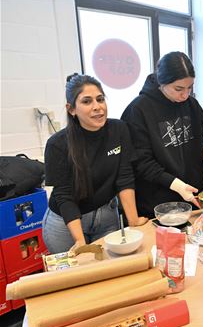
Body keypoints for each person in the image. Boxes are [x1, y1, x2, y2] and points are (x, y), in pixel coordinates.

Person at [121, 51, 203, 218]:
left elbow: (196, 149)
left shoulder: (192, 106)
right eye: (178, 89)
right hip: (156, 205)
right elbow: (142, 163)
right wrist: (177, 186)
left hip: (191, 199)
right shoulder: (138, 110)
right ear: (162, 82)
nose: (185, 94)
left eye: (190, 87)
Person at [43, 74, 148, 254]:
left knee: (110, 270)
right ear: (71, 109)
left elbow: (124, 177)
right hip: (66, 224)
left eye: (100, 99)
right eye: (87, 101)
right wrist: (80, 241)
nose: (97, 107)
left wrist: (133, 220)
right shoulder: (57, 144)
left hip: (107, 217)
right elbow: (63, 196)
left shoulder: (119, 129)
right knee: (76, 277)